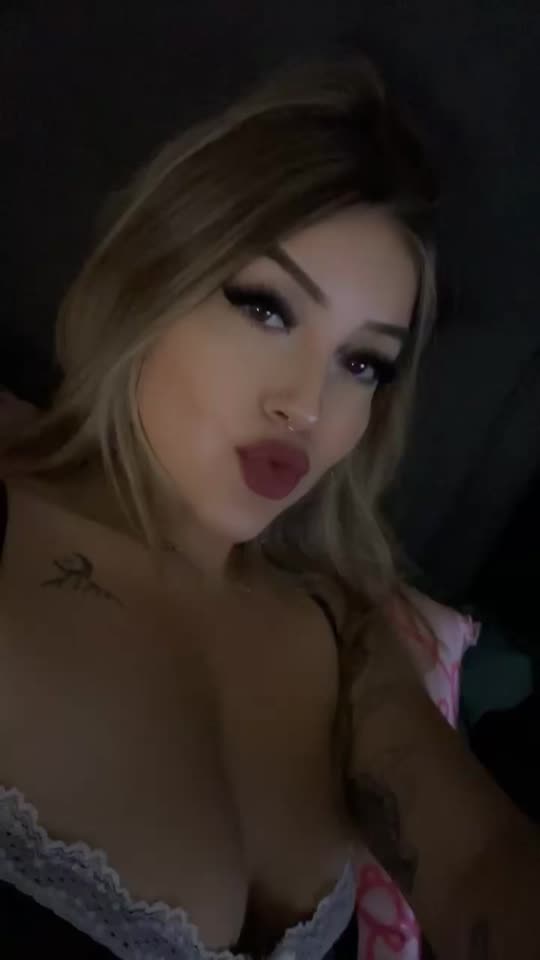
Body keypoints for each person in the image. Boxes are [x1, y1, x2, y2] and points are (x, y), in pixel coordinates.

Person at [1, 55, 537, 960]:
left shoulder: (343, 631)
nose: (308, 406)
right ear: (151, 280)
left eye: (362, 363)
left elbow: (479, 861)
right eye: (267, 310)